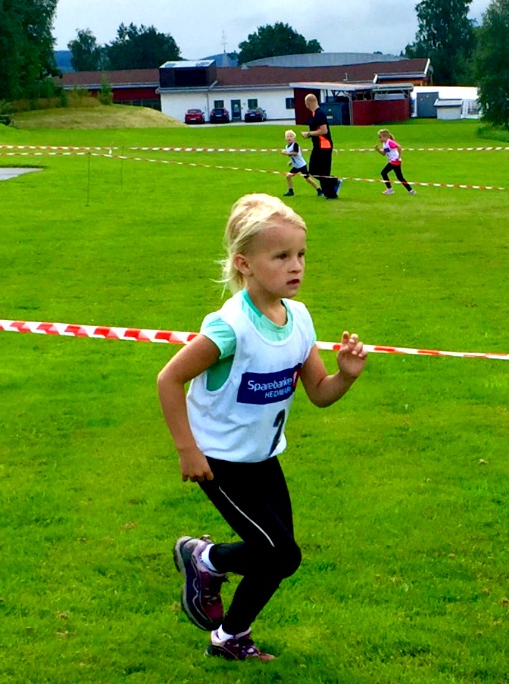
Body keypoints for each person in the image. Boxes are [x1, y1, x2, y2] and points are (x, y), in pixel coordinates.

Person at [157, 193, 367, 662]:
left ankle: (212, 581)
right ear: (244, 263)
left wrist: (346, 376)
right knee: (278, 552)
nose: (296, 266)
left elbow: (319, 392)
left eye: (301, 255)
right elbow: (169, 379)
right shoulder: (229, 327)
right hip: (219, 459)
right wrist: (187, 449)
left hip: (264, 456)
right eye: (281, 256)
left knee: (280, 557)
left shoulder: (300, 318)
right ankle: (221, 607)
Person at [301, 94, 341, 199]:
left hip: (324, 146)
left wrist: (309, 134)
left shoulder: (320, 114)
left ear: (308, 103)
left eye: (305, 103)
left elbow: (324, 130)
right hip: (317, 146)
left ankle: (330, 194)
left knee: (323, 172)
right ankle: (334, 182)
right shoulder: (313, 115)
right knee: (313, 170)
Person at [375, 129, 416, 196]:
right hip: (393, 161)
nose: (379, 139)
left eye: (380, 137)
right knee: (400, 177)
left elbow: (399, 147)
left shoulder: (390, 142)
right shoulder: (384, 143)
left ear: (385, 136)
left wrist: (399, 157)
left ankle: (390, 189)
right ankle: (411, 190)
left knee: (383, 173)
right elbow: (383, 154)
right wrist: (378, 150)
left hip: (395, 161)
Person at [281, 130, 321, 197]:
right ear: (285, 138)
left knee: (308, 179)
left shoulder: (295, 144)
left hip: (301, 165)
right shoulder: (287, 146)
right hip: (296, 166)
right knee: (288, 176)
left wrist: (286, 153)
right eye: (287, 137)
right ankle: (290, 191)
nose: (289, 138)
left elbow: (295, 153)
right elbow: (294, 155)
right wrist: (291, 161)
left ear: (294, 138)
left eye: (291, 136)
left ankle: (319, 190)